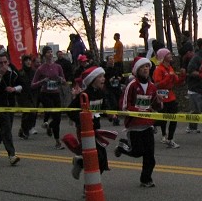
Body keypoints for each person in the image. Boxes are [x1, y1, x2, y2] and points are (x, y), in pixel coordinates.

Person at [116, 57, 160, 187]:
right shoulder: (132, 85)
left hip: (147, 125)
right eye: (142, 67)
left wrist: (158, 103)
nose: (146, 69)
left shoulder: (152, 86)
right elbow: (124, 106)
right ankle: (121, 147)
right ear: (136, 70)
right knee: (137, 152)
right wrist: (140, 110)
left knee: (150, 157)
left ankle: (145, 179)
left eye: (147, 66)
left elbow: (154, 105)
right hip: (134, 125)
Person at [68, 65, 113, 178]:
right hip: (85, 131)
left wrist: (110, 115)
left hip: (97, 130)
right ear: (92, 79)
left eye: (103, 76)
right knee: (96, 158)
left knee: (102, 162)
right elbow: (70, 111)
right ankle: (87, 185)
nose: (103, 79)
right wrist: (82, 120)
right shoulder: (84, 95)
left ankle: (81, 163)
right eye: (100, 77)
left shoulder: (101, 93)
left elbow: (102, 109)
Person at [0, 52, 22, 166]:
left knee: (7, 127)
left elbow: (22, 85)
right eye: (0, 63)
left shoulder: (14, 71)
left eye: (5, 62)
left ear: (9, 62)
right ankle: (12, 155)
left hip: (10, 104)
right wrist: (0, 75)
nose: (3, 65)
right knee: (6, 127)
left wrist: (14, 89)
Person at [31, 46, 67, 150]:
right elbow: (33, 84)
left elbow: (64, 81)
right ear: (44, 55)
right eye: (48, 52)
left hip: (55, 93)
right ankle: (57, 141)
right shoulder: (41, 68)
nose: (50, 54)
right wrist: (43, 81)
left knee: (58, 118)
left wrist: (60, 79)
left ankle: (51, 129)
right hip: (45, 94)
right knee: (53, 113)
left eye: (51, 52)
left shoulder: (58, 67)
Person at [151, 48, 185, 149]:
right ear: (163, 57)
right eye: (168, 54)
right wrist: (167, 78)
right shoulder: (159, 70)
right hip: (162, 97)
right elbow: (157, 84)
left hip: (171, 96)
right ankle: (152, 125)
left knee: (174, 118)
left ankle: (170, 139)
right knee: (163, 119)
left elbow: (177, 82)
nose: (171, 55)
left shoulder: (170, 68)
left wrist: (182, 76)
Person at [185, 39, 202, 134]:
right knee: (195, 110)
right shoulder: (196, 57)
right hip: (195, 87)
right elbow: (190, 70)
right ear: (200, 46)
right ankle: (191, 127)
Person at [15, 54, 37, 139]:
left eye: (29, 60)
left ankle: (23, 129)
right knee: (28, 112)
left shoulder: (34, 72)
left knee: (32, 113)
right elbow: (16, 84)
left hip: (32, 95)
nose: (28, 62)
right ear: (23, 62)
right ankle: (25, 130)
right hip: (23, 96)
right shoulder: (20, 72)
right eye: (26, 60)